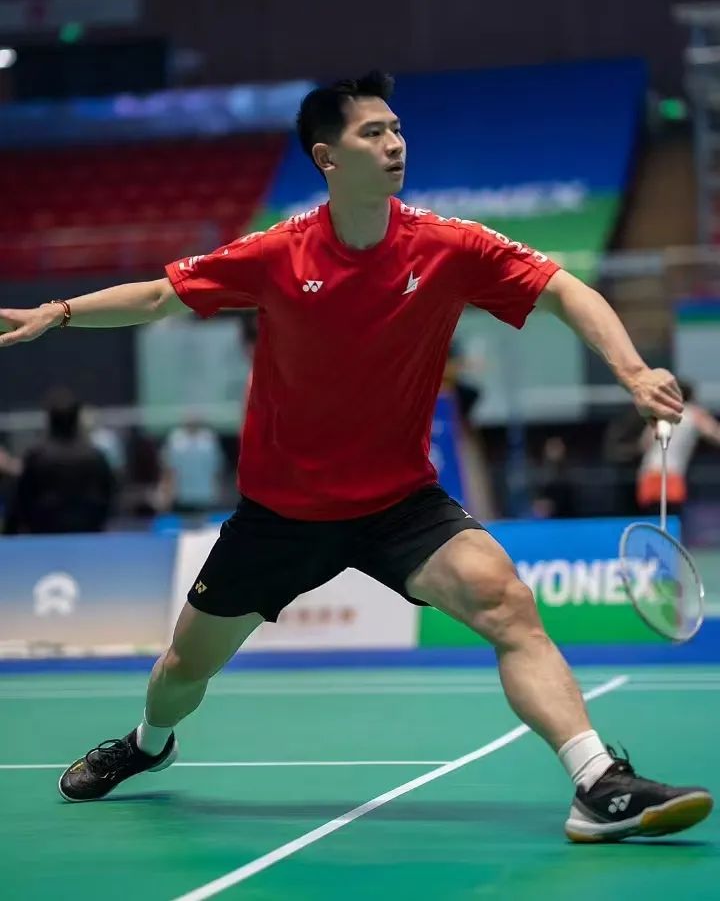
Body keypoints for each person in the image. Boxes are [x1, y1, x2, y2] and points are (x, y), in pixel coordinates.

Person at [0, 71, 712, 841]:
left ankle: (597, 782)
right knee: (182, 669)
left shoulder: (449, 245)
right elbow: (157, 296)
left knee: (507, 604)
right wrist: (59, 311)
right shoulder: (277, 253)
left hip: (399, 504)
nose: (395, 143)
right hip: (281, 514)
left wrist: (632, 371)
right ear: (327, 158)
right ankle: (148, 744)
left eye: (397, 129)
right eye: (373, 133)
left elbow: (565, 290)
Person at [4, 389, 114, 534]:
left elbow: (20, 500)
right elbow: (110, 498)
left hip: (46, 531)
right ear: (76, 419)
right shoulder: (96, 456)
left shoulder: (37, 457)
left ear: (49, 420)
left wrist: (8, 533)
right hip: (86, 530)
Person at [636, 379, 720, 518]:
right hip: (671, 474)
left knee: (652, 520)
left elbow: (644, 444)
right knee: (672, 519)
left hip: (648, 473)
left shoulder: (660, 414)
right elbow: (715, 434)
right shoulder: (695, 414)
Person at [161, 414, 224, 515]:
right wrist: (167, 493)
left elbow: (216, 468)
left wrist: (217, 490)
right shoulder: (175, 439)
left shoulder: (209, 439)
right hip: (182, 495)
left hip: (205, 495)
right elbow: (169, 469)